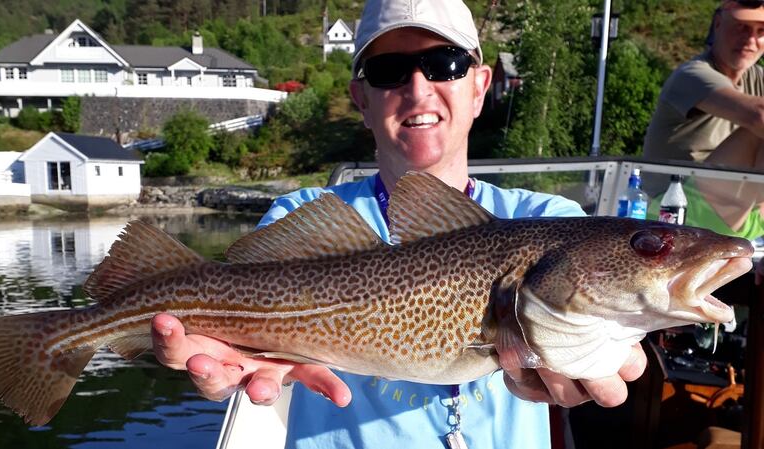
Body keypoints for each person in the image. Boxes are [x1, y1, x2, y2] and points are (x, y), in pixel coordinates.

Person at [150, 1, 647, 448]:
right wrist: (230, 345)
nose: (417, 88)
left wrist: (602, 354)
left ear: (480, 87)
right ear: (361, 99)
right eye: (388, 71)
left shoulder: (549, 222)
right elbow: (239, 325)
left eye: (445, 64)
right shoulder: (303, 213)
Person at [643, 0, 764, 240]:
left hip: (747, 215)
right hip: (677, 213)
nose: (750, 40)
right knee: (757, 128)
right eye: (741, 27)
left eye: (761, 31)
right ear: (718, 24)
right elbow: (758, 116)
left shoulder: (758, 77)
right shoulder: (692, 75)